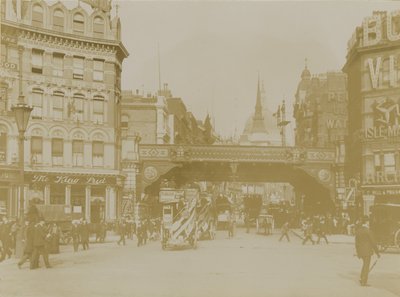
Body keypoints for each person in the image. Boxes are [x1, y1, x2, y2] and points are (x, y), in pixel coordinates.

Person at [355, 216, 380, 286]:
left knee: (364, 264)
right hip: (367, 251)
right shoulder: (368, 231)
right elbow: (373, 243)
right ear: (366, 222)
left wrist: (358, 252)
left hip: (361, 251)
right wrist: (377, 253)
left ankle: (361, 278)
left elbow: (356, 243)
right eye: (368, 221)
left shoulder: (358, 231)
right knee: (366, 265)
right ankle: (364, 281)